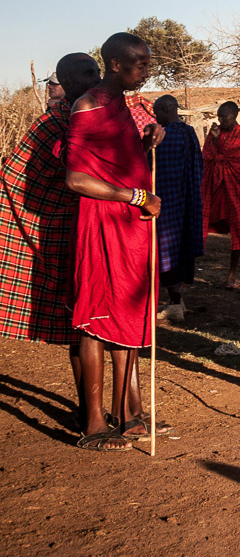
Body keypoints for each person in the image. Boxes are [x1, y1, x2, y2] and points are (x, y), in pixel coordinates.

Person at [64, 33, 165, 451]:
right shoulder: (89, 106)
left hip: (133, 227)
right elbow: (76, 178)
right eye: (140, 64)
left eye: (147, 64)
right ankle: (92, 423)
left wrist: (143, 145)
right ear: (116, 64)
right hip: (104, 223)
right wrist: (137, 196)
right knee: (96, 315)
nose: (145, 72)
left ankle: (127, 413)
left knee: (129, 312)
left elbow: (113, 162)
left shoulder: (124, 105)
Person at [0, 53, 101, 431]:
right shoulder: (51, 125)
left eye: (97, 72)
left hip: (90, 230)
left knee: (87, 325)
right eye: (88, 73)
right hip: (58, 233)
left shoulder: (88, 119)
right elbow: (15, 180)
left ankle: (100, 411)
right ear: (67, 83)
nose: (96, 79)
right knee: (79, 325)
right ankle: (89, 415)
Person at [152, 95, 203, 324]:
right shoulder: (189, 133)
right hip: (186, 202)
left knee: (165, 250)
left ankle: (174, 304)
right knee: (179, 249)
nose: (156, 117)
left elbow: (155, 168)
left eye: (157, 112)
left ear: (167, 109)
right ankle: (177, 301)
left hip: (167, 203)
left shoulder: (167, 137)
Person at [201, 101, 240, 289]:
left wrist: (218, 142)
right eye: (219, 116)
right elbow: (207, 157)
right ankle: (187, 272)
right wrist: (214, 140)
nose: (221, 120)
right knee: (199, 222)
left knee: (238, 229)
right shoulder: (214, 134)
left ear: (234, 116)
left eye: (224, 116)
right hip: (215, 188)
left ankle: (231, 275)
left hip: (237, 190)